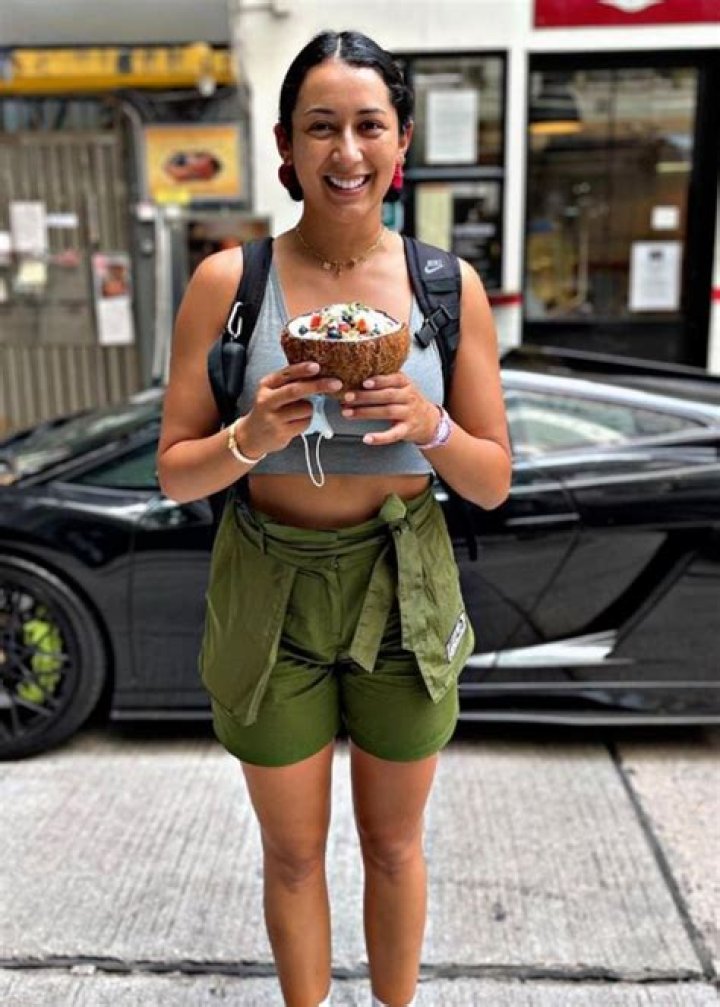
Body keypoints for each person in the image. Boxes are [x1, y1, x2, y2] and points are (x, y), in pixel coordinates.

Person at [157, 30, 511, 1007]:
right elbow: (175, 473)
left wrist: (431, 425)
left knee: (394, 846)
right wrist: (250, 436)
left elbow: (492, 481)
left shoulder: (446, 287)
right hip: (268, 584)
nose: (346, 151)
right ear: (285, 143)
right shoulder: (231, 285)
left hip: (404, 579)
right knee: (293, 853)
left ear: (401, 140)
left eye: (368, 125)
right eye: (321, 127)